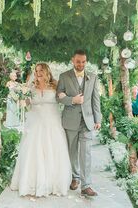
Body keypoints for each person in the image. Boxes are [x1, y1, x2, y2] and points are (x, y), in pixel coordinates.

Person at [10, 63, 71, 197]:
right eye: (36, 71)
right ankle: (32, 182)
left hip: (52, 123)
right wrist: (21, 98)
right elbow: (27, 103)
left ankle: (53, 183)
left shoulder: (56, 85)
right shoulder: (31, 87)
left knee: (53, 150)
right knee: (34, 150)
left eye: (41, 71)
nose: (38, 73)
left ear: (46, 71)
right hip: (35, 123)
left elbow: (63, 99)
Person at [56, 49, 102, 197]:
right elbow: (58, 97)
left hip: (87, 121)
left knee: (86, 153)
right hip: (70, 120)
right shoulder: (64, 76)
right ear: (72, 60)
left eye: (83, 61)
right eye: (78, 61)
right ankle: (75, 177)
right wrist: (72, 100)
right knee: (72, 151)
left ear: (86, 61)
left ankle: (86, 185)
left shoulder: (93, 77)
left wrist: (98, 119)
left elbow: (96, 100)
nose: (81, 64)